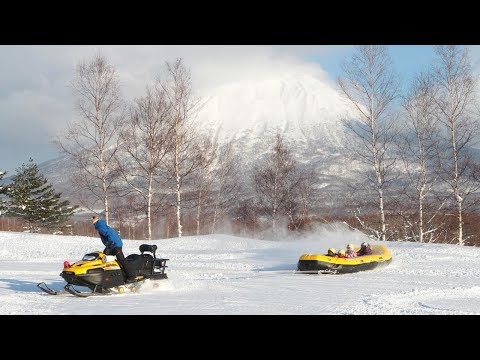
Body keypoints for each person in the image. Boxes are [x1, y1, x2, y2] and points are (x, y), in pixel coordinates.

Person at [92, 215, 137, 283]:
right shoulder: (100, 226)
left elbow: (110, 234)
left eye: (93, 221)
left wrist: (110, 244)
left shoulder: (100, 226)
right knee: (106, 260)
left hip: (115, 245)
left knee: (121, 260)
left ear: (95, 221)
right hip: (112, 244)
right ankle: (112, 276)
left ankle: (132, 276)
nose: (92, 222)